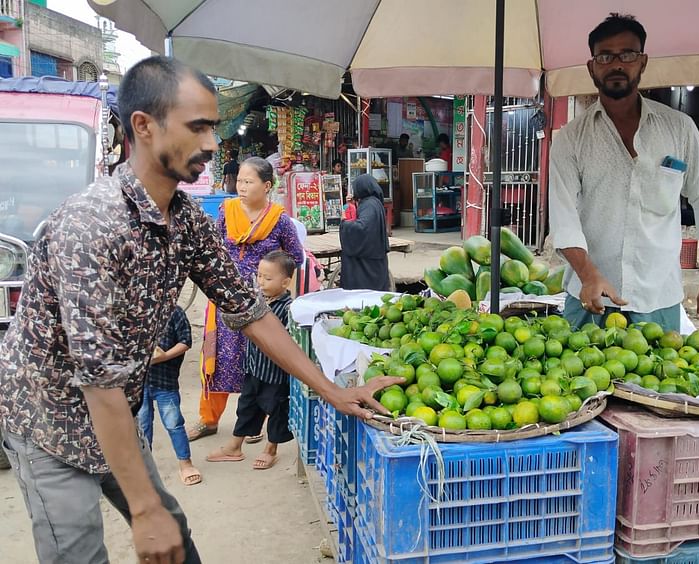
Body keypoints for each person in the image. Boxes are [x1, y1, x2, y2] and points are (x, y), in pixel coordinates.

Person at [0, 55, 400, 564]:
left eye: (212, 126)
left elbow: (251, 311)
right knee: (79, 552)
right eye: (198, 127)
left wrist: (334, 392)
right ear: (143, 127)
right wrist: (144, 509)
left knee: (175, 538)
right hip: (48, 418)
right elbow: (97, 381)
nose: (213, 144)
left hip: (114, 410)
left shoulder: (186, 220)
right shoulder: (92, 226)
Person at [548, 13, 699, 333]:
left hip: (658, 297)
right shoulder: (571, 139)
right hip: (590, 296)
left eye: (627, 54)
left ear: (642, 62)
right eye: (605, 56)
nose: (616, 64)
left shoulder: (679, 129)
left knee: (659, 380)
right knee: (577, 378)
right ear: (592, 67)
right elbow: (563, 218)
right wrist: (588, 275)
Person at [190, 156, 305, 443]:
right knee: (219, 359)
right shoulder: (226, 211)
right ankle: (209, 419)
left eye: (248, 181)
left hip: (263, 305)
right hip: (226, 300)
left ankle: (255, 421)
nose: (241, 186)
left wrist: (270, 276)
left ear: (266, 186)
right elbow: (214, 249)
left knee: (261, 362)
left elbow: (296, 257)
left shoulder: (279, 220)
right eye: (239, 180)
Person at [207, 251, 296, 469]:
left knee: (276, 410)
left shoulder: (287, 308)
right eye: (259, 276)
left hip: (275, 373)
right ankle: (235, 446)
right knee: (247, 405)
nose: (261, 282)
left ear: (285, 282)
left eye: (268, 278)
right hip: (254, 367)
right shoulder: (257, 301)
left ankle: (270, 449)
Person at [138, 306, 201, 486]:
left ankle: (185, 463)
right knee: (142, 426)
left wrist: (163, 356)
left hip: (165, 381)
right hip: (139, 382)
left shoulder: (174, 312)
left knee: (174, 423)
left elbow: (185, 341)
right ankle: (145, 467)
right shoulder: (134, 310)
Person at [339, 174, 391, 291]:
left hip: (368, 264)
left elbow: (362, 228)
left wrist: (344, 224)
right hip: (375, 260)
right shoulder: (373, 203)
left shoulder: (369, 205)